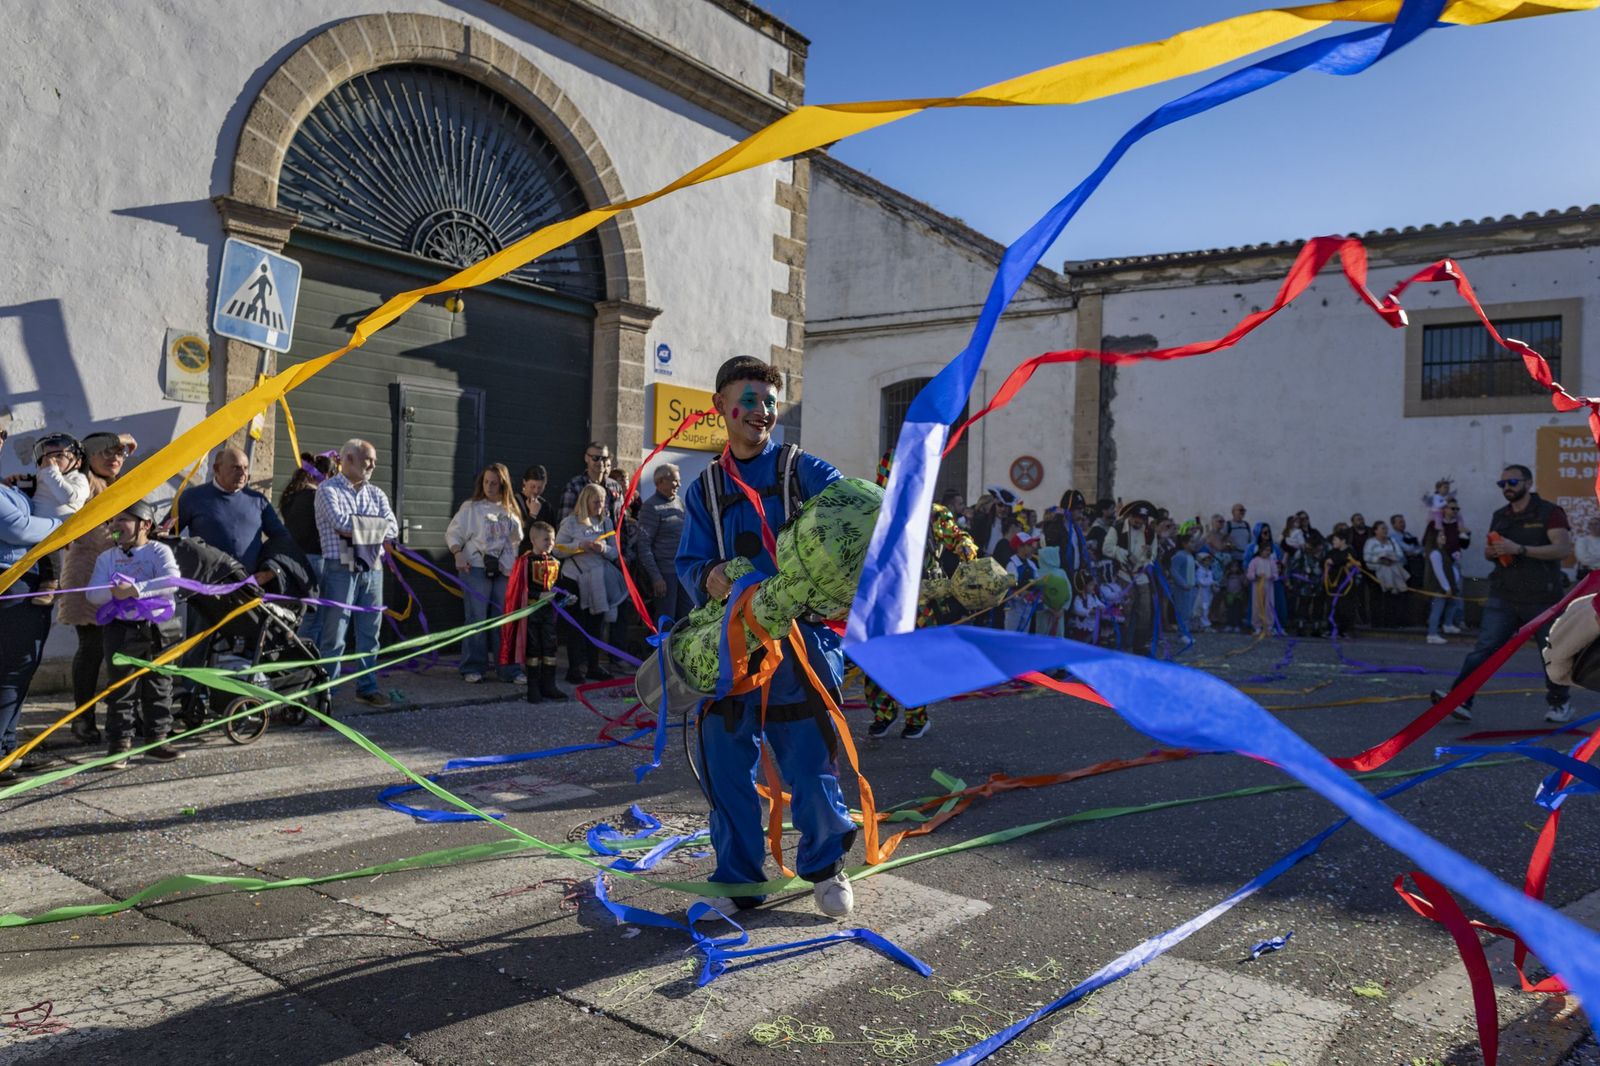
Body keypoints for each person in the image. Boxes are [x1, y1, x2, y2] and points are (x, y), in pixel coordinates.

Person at [676, 355, 855, 920]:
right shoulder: (703, 488)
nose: (762, 411)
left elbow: (849, 510)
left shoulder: (803, 469)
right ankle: (738, 884)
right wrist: (708, 576)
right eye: (749, 400)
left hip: (801, 645)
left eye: (770, 401)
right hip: (733, 646)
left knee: (809, 762)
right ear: (720, 407)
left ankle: (825, 869)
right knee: (727, 764)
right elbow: (690, 563)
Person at [1432, 465, 1575, 723]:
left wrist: (1519, 548)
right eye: (1502, 484)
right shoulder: (1500, 515)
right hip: (1504, 594)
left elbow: (1562, 549)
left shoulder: (1549, 512)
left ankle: (1559, 703)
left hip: (1542, 597)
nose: (1507, 487)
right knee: (1483, 650)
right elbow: (1495, 550)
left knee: (1551, 653)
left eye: (1512, 482)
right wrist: (1492, 553)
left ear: (1528, 483)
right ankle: (1461, 700)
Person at [864, 453, 981, 739]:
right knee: (877, 658)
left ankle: (917, 717)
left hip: (920, 601)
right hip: (882, 600)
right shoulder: (873, 514)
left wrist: (967, 548)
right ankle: (884, 713)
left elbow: (957, 536)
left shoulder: (933, 513)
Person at [85, 498, 183, 768]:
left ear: (145, 524)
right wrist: (113, 593)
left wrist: (136, 589)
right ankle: (119, 745)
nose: (115, 526)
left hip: (157, 629)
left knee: (159, 684)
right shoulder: (107, 557)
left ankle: (157, 741)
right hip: (120, 631)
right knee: (121, 688)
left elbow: (171, 580)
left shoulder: (159, 551)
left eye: (123, 520)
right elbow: (93, 594)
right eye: (113, 520)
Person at [55, 430, 136, 745]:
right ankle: (82, 720)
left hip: (115, 576)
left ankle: (111, 714)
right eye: (107, 453)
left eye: (120, 454)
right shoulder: (82, 482)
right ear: (89, 455)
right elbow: (94, 530)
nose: (116, 458)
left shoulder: (116, 484)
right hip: (89, 576)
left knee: (115, 648)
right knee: (92, 649)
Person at [314, 439, 398, 708]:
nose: (373, 465)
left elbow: (393, 529)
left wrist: (358, 527)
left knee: (370, 633)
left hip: (372, 567)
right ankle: (328, 692)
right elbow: (339, 524)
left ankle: (367, 687)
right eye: (368, 459)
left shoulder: (377, 493)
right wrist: (376, 527)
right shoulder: (327, 490)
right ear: (348, 459)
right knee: (334, 633)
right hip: (339, 566)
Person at [0, 420, 62, 777]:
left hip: (25, 581)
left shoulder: (9, 486)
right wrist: (62, 526)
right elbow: (22, 529)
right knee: (12, 669)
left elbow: (31, 518)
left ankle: (8, 748)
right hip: (10, 586)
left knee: (21, 669)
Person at [446, 463, 525, 685]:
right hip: (476, 568)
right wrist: (457, 553)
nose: (490, 486)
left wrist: (508, 565)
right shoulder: (470, 507)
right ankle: (473, 667)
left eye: (494, 482)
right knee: (477, 619)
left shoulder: (510, 510)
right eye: (486, 482)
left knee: (504, 620)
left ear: (503, 484)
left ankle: (508, 669)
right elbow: (453, 533)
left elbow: (515, 542)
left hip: (504, 570)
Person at [174, 445, 288, 577]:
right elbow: (166, 534)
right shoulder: (192, 497)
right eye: (236, 468)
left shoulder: (258, 500)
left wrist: (272, 569)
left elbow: (281, 537)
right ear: (217, 469)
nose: (243, 473)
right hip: (204, 586)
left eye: (245, 468)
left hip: (247, 586)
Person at [556, 482, 626, 683]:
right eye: (596, 501)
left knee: (596, 625)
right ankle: (575, 668)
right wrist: (579, 545)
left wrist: (602, 549)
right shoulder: (570, 522)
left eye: (603, 501)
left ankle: (593, 666)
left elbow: (615, 553)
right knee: (576, 625)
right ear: (585, 501)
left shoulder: (606, 523)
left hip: (597, 580)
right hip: (574, 579)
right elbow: (557, 549)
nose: (600, 505)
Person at [12, 433, 89, 604]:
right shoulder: (45, 475)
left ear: (77, 461)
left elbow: (68, 497)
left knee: (49, 549)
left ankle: (51, 584)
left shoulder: (79, 478)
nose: (51, 460)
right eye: (46, 456)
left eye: (59, 456)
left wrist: (51, 472)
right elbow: (35, 491)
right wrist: (16, 482)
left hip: (60, 529)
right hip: (35, 526)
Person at [499, 520, 566, 703]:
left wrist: (565, 596)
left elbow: (558, 586)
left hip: (549, 614)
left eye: (552, 540)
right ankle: (533, 688)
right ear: (534, 540)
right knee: (533, 649)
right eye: (546, 540)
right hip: (530, 614)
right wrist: (538, 595)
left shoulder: (556, 562)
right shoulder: (525, 562)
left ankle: (549, 686)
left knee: (550, 648)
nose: (550, 543)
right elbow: (520, 588)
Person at [280, 452, 333, 642]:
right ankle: (305, 664)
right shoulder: (318, 497)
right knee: (314, 618)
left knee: (299, 614)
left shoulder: (291, 497)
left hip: (293, 560)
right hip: (316, 561)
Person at [637, 463, 690, 622]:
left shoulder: (679, 502)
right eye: (675, 481)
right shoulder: (651, 507)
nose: (679, 484)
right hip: (665, 574)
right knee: (666, 622)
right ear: (660, 482)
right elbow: (644, 545)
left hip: (682, 572)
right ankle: (661, 648)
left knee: (686, 620)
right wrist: (656, 577)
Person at [559, 441, 621, 526]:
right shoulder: (574, 485)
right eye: (595, 458)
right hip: (585, 537)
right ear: (586, 458)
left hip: (611, 537)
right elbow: (564, 523)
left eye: (604, 458)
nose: (600, 462)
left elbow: (621, 520)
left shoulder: (615, 486)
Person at [1363, 520, 1409, 627]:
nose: (1385, 531)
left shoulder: (1391, 541)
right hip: (1376, 572)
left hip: (1391, 570)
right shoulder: (1371, 542)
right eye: (1382, 528)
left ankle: (1392, 621)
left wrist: (1391, 558)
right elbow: (1366, 557)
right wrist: (1379, 559)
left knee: (1392, 597)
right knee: (1377, 597)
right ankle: (1377, 622)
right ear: (1376, 531)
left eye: (1386, 528)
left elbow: (1400, 554)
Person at [1423, 525, 1455, 645]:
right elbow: (1439, 572)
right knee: (1436, 610)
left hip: (1442, 587)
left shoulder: (1442, 552)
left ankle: (1442, 628)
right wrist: (1446, 587)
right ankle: (1432, 634)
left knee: (1442, 608)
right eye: (1441, 535)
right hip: (1438, 588)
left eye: (1444, 535)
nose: (1444, 537)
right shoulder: (1435, 553)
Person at [516, 464, 556, 550]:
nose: (536, 491)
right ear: (524, 482)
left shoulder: (546, 506)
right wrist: (532, 515)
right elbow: (518, 536)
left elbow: (552, 535)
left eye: (540, 487)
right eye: (532, 486)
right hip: (519, 556)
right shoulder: (514, 502)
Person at [1247, 542, 1279, 636]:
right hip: (1257, 586)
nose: (1268, 552)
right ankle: (1257, 627)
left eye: (1269, 550)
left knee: (1269, 605)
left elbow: (1276, 573)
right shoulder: (1255, 561)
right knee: (1257, 605)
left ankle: (1269, 626)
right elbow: (1249, 574)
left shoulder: (1271, 561)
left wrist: (1272, 577)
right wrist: (1256, 576)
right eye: (1266, 550)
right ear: (1261, 550)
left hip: (1268, 587)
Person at [1574, 516, 1600, 581]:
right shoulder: (1582, 540)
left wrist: (1594, 558)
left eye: (1596, 524)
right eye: (1591, 524)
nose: (1593, 526)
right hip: (1588, 574)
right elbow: (1583, 559)